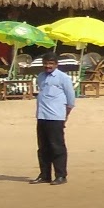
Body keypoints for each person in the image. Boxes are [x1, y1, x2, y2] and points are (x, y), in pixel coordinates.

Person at [31, 57, 77, 185]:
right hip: (42, 115)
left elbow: (70, 99)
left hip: (56, 116)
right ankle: (44, 175)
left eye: (51, 63)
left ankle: (61, 175)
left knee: (57, 147)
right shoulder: (41, 76)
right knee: (43, 148)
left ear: (56, 64)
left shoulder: (63, 78)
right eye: (46, 63)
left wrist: (66, 115)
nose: (48, 66)